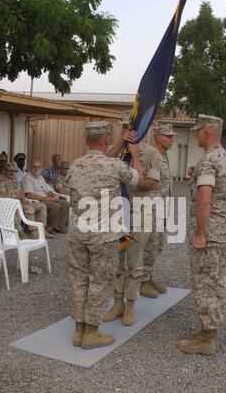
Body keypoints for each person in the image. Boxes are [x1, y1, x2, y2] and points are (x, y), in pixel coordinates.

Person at [67, 120, 143, 349]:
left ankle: (78, 331)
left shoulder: (75, 166)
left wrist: (120, 142)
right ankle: (92, 333)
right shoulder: (114, 166)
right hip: (103, 237)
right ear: (106, 139)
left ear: (86, 140)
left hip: (77, 235)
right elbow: (137, 180)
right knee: (99, 282)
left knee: (79, 281)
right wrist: (135, 154)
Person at [177, 114, 226, 355]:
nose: (195, 134)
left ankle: (208, 337)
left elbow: (205, 199)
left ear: (206, 132)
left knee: (204, 282)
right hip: (223, 231)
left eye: (198, 131)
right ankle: (207, 331)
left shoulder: (209, 161)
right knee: (217, 279)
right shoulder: (224, 158)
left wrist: (200, 234)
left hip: (210, 234)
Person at [104, 127, 161, 326]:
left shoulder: (151, 153)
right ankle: (117, 302)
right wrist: (121, 144)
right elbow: (102, 164)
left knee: (134, 260)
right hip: (118, 215)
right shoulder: (116, 149)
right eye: (126, 128)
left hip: (138, 215)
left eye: (134, 128)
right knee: (118, 259)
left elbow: (148, 184)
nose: (130, 132)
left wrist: (135, 154)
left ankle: (130, 305)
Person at [140, 123, 176, 297]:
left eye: (172, 136)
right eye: (168, 136)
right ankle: (141, 281)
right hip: (152, 208)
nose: (172, 140)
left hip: (163, 207)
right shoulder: (151, 156)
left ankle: (149, 276)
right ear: (158, 137)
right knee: (149, 244)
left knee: (157, 245)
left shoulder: (165, 157)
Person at [0, 163, 51, 239]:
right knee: (30, 209)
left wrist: (23, 199)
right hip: (11, 204)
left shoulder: (15, 180)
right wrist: (16, 201)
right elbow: (3, 194)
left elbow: (21, 192)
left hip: (21, 201)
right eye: (9, 171)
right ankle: (29, 232)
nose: (12, 172)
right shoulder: (2, 181)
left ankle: (42, 229)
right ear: (5, 171)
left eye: (14, 171)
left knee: (42, 206)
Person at [22, 160, 69, 235]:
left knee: (65, 204)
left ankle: (60, 226)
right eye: (34, 167)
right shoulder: (28, 178)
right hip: (37, 200)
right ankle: (49, 227)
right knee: (55, 206)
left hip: (46, 198)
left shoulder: (40, 177)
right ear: (31, 167)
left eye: (38, 167)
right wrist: (47, 198)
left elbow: (48, 189)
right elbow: (29, 194)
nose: (36, 169)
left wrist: (51, 194)